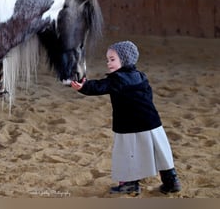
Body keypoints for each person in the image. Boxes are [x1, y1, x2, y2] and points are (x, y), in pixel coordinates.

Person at [71, 40, 181, 196]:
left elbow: (100, 87)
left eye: (112, 59)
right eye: (108, 59)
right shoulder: (141, 76)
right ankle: (172, 181)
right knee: (160, 151)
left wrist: (83, 87)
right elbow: (149, 95)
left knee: (127, 154)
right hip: (152, 122)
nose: (108, 63)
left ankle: (129, 184)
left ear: (125, 59)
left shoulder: (117, 79)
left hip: (129, 126)